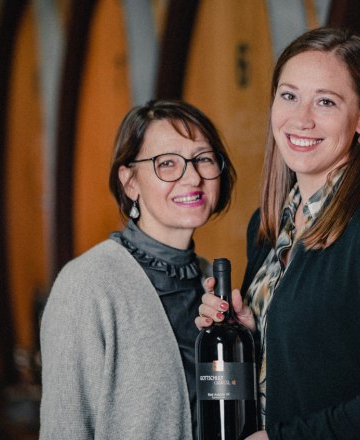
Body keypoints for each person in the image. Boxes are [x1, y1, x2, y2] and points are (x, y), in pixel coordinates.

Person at [196, 27, 360, 439]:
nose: (301, 119)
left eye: (326, 101)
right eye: (289, 95)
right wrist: (246, 330)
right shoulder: (268, 224)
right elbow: (314, 360)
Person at [39, 99, 236, 439]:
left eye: (203, 159)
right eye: (168, 163)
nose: (192, 177)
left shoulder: (209, 282)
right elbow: (64, 428)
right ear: (130, 181)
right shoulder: (88, 284)